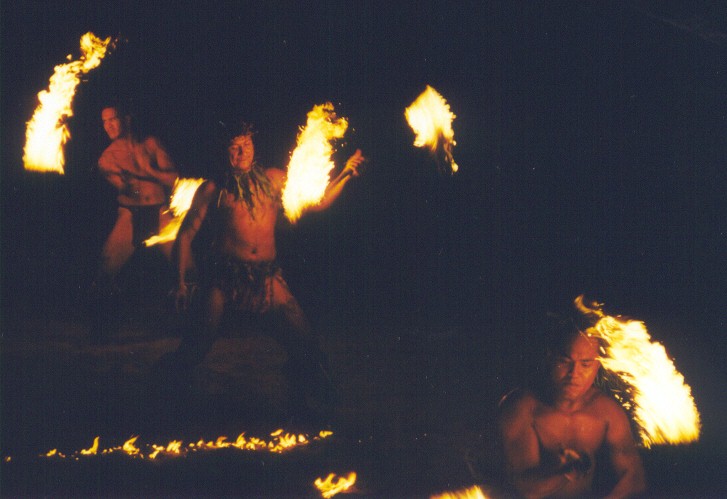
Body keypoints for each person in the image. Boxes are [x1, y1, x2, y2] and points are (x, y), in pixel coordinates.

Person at [166, 122, 365, 422]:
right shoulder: (212, 189)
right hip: (225, 278)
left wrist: (346, 173)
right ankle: (165, 392)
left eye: (246, 144)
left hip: (266, 277)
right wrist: (181, 282)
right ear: (225, 151)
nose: (241, 152)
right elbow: (185, 235)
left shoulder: (273, 180)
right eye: (235, 147)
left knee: (303, 338)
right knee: (197, 344)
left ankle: (303, 399)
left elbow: (318, 202)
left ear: (254, 146)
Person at [498, 316, 647, 498]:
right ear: (550, 358)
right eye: (565, 361)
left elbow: (634, 478)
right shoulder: (522, 408)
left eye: (586, 364)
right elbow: (524, 490)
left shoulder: (607, 412)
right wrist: (566, 473)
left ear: (598, 365)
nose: (574, 373)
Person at [91, 103, 179, 340]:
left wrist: (147, 171)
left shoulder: (151, 144)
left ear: (126, 119)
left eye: (112, 119)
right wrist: (131, 179)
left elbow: (174, 179)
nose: (108, 126)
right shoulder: (107, 157)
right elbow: (125, 187)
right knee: (105, 269)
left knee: (185, 268)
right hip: (130, 214)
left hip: (159, 212)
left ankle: (192, 322)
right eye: (104, 121)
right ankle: (104, 327)